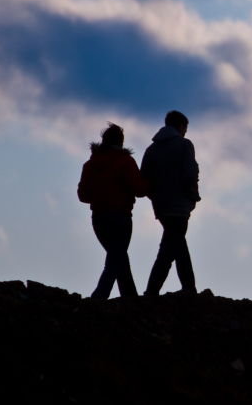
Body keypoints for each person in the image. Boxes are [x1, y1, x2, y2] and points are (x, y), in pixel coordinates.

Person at [77, 122, 149, 300]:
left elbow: (83, 195)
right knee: (115, 261)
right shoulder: (125, 162)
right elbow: (140, 190)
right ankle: (98, 298)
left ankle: (130, 298)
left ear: (103, 141)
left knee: (119, 260)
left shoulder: (90, 164)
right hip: (120, 217)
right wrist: (151, 181)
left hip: (99, 218)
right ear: (121, 141)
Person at [141, 110, 201, 295]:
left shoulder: (150, 150)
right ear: (180, 126)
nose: (185, 133)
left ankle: (189, 288)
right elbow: (189, 174)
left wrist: (156, 198)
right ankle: (151, 292)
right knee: (168, 251)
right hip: (179, 206)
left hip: (161, 208)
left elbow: (145, 180)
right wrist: (193, 197)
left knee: (178, 245)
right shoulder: (185, 145)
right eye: (185, 128)